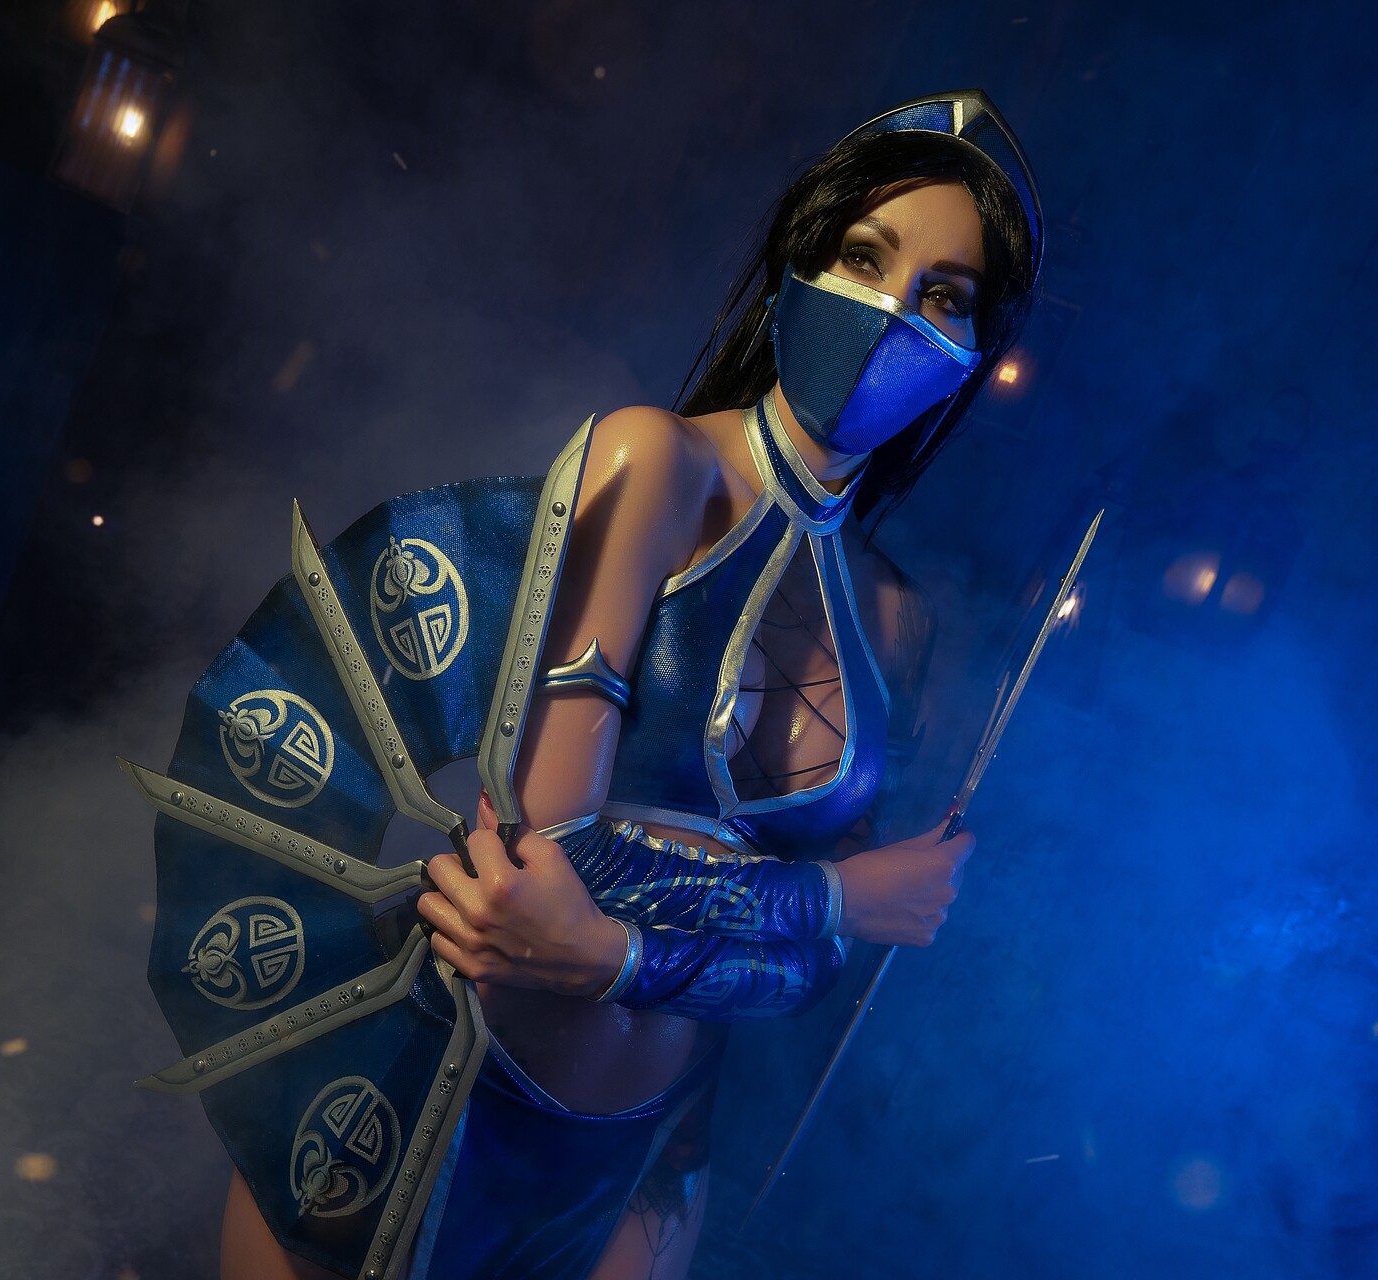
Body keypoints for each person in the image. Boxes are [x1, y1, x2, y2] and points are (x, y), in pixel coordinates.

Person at [216, 90, 1042, 1279]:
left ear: (970, 357)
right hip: (427, 1101)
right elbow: (550, 854)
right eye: (865, 256)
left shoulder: (896, 617)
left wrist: (637, 945)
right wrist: (824, 900)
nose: (893, 310)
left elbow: (814, 978)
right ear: (793, 268)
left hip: (641, 1167)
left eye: (944, 295)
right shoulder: (656, 462)